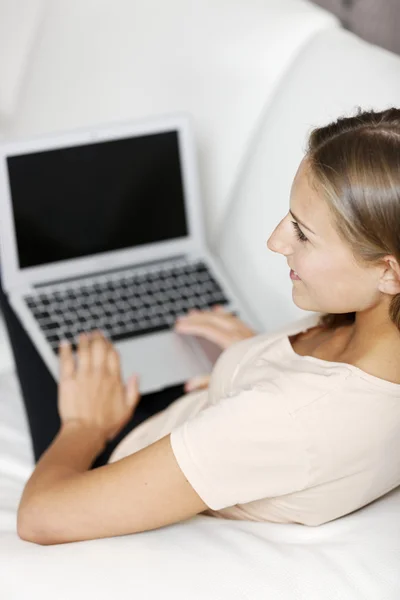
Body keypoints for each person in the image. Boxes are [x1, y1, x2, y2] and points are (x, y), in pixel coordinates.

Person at [13, 106, 400, 545]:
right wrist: (259, 355)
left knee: (22, 285)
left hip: (115, 451)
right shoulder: (370, 325)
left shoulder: (283, 420)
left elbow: (41, 517)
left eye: (303, 233)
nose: (276, 241)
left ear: (389, 273)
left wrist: (85, 425)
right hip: (202, 410)